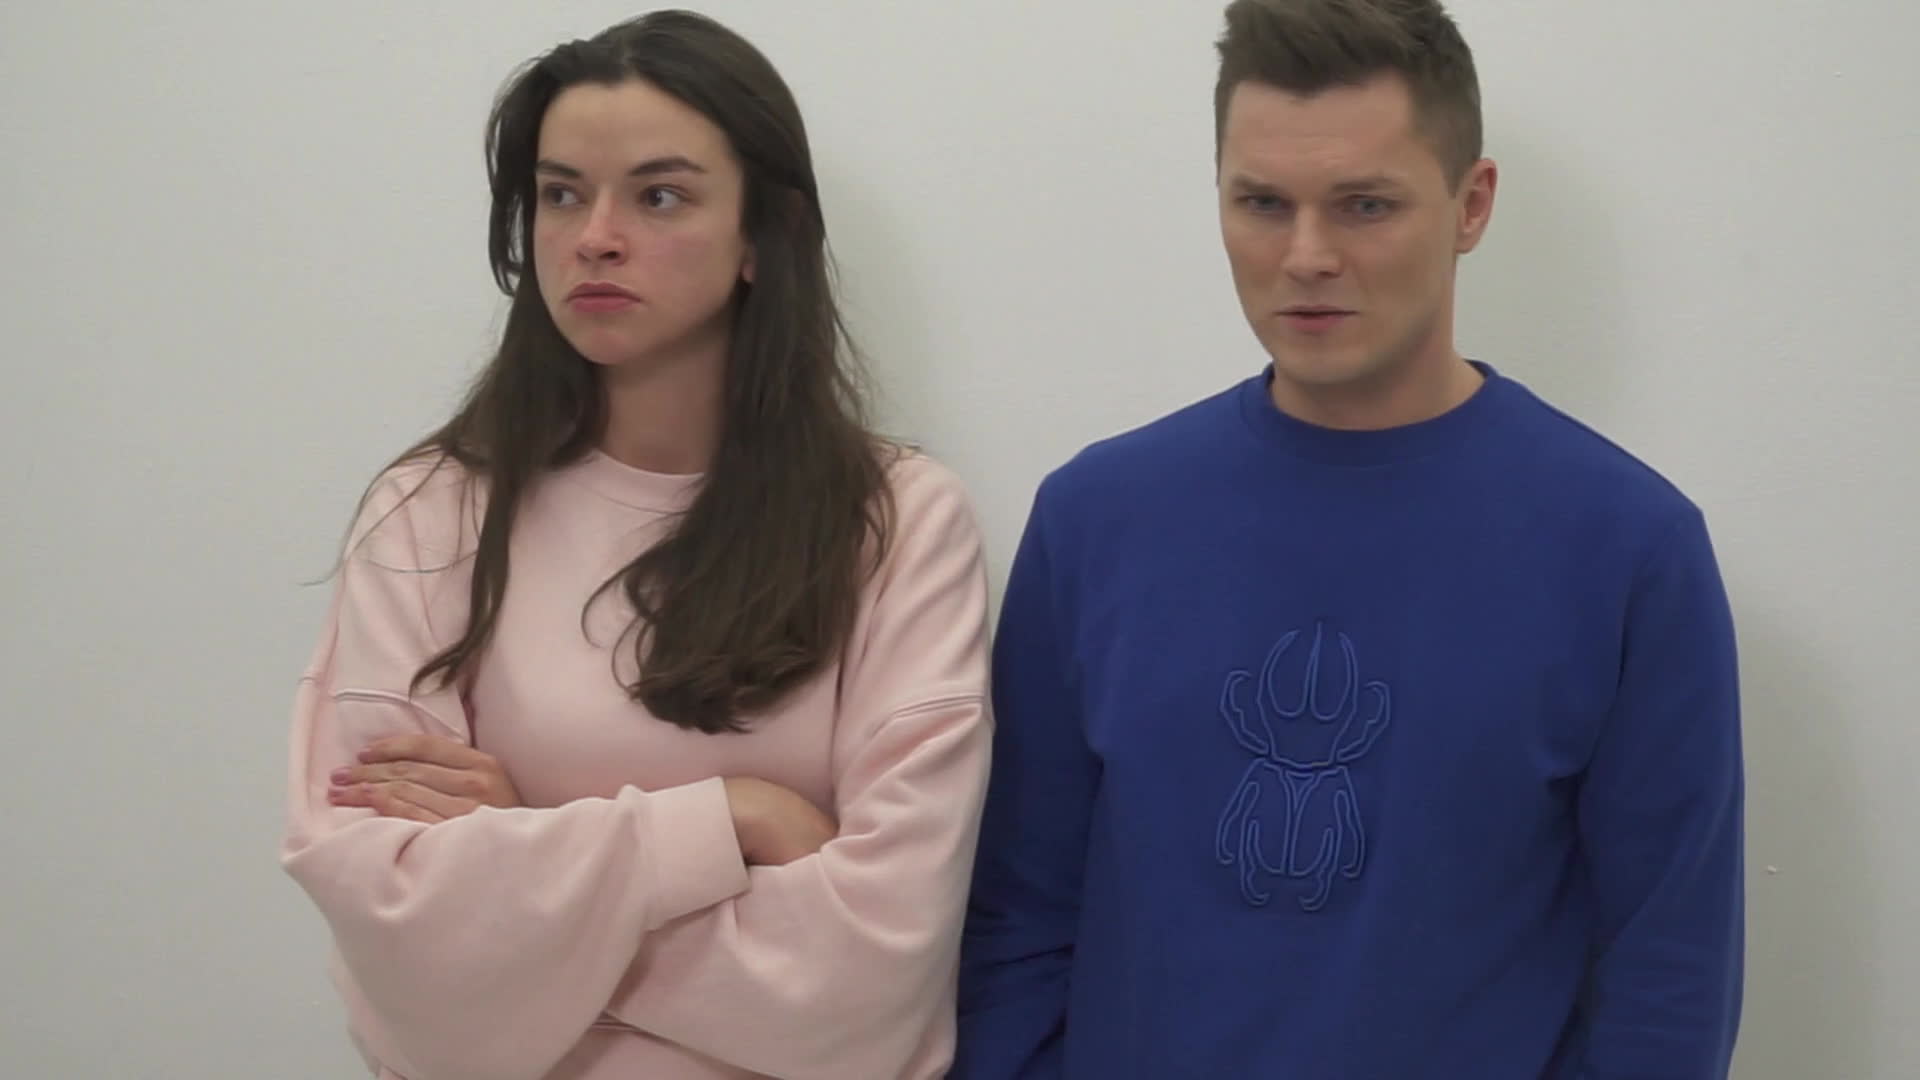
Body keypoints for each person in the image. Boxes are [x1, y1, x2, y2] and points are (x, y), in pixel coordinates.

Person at [953, 0, 1745, 1077]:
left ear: (1472, 205)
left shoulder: (1629, 549)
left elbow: (1668, 979)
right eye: (1262, 203)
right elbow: (1015, 921)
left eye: (1365, 205)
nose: (1307, 256)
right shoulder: (1095, 519)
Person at [278, 11, 992, 1080]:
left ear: (763, 234)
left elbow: (872, 977)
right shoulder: (429, 513)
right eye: (562, 194)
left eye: (659, 196)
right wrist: (731, 823)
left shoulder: (895, 523)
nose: (595, 237)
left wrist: (528, 858)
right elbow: (402, 947)